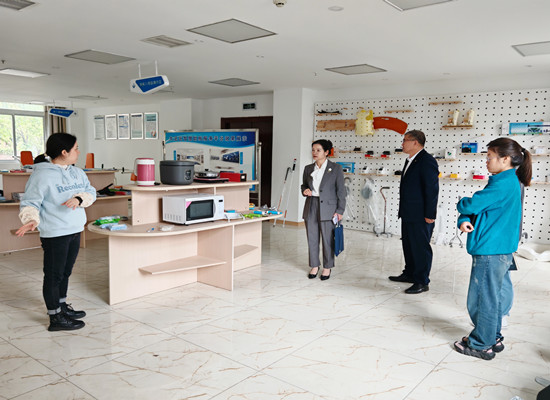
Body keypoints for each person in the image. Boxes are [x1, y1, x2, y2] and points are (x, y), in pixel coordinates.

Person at [453, 137, 531, 360]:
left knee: (481, 298)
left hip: (490, 250)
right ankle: (492, 337)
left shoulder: (501, 184)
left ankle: (481, 344)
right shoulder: (509, 180)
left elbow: (472, 204)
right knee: (493, 296)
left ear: (505, 159)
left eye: (490, 157)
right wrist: (465, 217)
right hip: (501, 249)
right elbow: (479, 209)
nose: (486, 161)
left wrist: (462, 204)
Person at [16, 133, 97, 331]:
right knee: (54, 275)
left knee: (66, 272)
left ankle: (61, 306)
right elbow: (30, 202)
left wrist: (79, 199)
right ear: (64, 152)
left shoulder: (77, 172)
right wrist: (31, 219)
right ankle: (55, 318)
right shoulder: (41, 175)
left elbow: (91, 191)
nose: (78, 152)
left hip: (75, 229)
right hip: (55, 233)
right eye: (76, 148)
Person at [389, 130, 439, 294]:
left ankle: (422, 281)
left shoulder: (427, 161)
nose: (402, 143)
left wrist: (430, 214)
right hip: (408, 212)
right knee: (409, 245)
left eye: (405, 140)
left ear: (415, 142)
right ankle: (410, 273)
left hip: (421, 215)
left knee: (420, 248)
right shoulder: (410, 160)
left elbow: (431, 189)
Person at [301, 139, 346, 281]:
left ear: (326, 152)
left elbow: (341, 191)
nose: (314, 152)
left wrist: (340, 210)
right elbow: (304, 185)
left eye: (318, 150)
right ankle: (314, 265)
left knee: (328, 239)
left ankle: (327, 267)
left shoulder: (336, 168)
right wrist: (305, 190)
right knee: (312, 238)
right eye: (313, 150)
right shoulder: (308, 168)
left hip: (329, 208)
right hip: (311, 205)